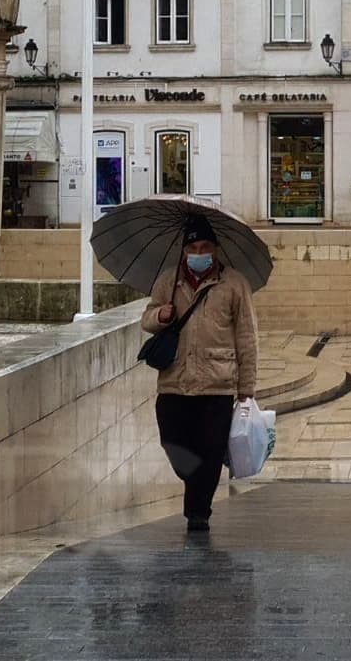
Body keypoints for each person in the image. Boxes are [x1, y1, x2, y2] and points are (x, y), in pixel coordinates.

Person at [141, 215, 259, 533]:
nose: (199, 252)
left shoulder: (234, 284)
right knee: (173, 443)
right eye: (193, 247)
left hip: (217, 383)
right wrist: (160, 315)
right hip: (174, 382)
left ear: (216, 250)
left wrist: (246, 388)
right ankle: (198, 484)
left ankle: (198, 514)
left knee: (209, 451)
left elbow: (247, 337)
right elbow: (146, 319)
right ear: (184, 251)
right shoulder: (169, 280)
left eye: (205, 246)